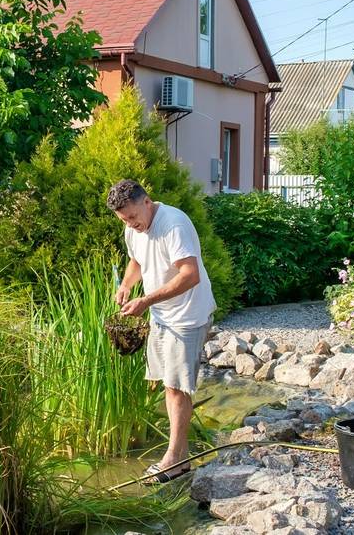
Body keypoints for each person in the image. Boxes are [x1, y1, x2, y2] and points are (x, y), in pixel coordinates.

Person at [108, 179, 216, 484]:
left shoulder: (174, 224)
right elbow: (136, 260)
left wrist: (147, 299)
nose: (130, 224)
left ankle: (173, 458)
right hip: (162, 315)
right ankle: (179, 460)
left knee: (177, 386)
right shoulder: (133, 228)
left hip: (187, 316)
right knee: (167, 384)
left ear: (147, 201)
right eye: (124, 220)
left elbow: (190, 275)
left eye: (132, 217)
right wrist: (128, 286)